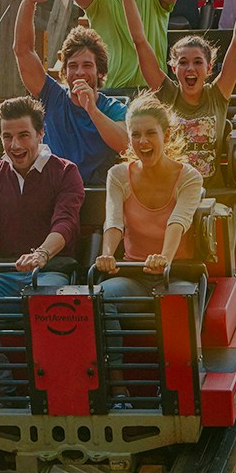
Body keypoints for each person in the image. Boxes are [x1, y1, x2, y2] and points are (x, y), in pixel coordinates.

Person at [0, 96, 85, 398]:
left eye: (23, 135)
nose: (15, 145)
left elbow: (65, 224)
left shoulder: (65, 172)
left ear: (41, 134)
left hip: (51, 271)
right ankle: (4, 389)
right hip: (6, 273)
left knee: (46, 301)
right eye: (7, 136)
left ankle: (54, 390)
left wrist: (41, 254)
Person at [92, 95, 206, 402]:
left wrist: (164, 259)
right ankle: (118, 388)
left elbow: (178, 221)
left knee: (179, 300)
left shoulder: (189, 178)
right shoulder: (118, 175)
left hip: (175, 272)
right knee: (100, 296)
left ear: (165, 136)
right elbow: (114, 220)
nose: (143, 142)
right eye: (136, 135)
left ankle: (177, 386)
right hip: (135, 274)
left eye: (150, 134)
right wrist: (106, 253)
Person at [122, 0, 236, 184]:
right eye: (183, 63)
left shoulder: (217, 95)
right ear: (173, 67)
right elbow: (140, 41)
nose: (190, 69)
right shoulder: (167, 95)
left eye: (198, 62)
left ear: (209, 69)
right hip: (172, 191)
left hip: (210, 193)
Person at [14, 0, 129, 187]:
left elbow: (125, 144)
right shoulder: (52, 96)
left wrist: (92, 110)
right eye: (73, 66)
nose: (79, 72)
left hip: (95, 192)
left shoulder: (113, 108)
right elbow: (23, 51)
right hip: (53, 188)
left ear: (100, 72)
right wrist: (28, 3)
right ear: (64, 71)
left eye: (87, 66)